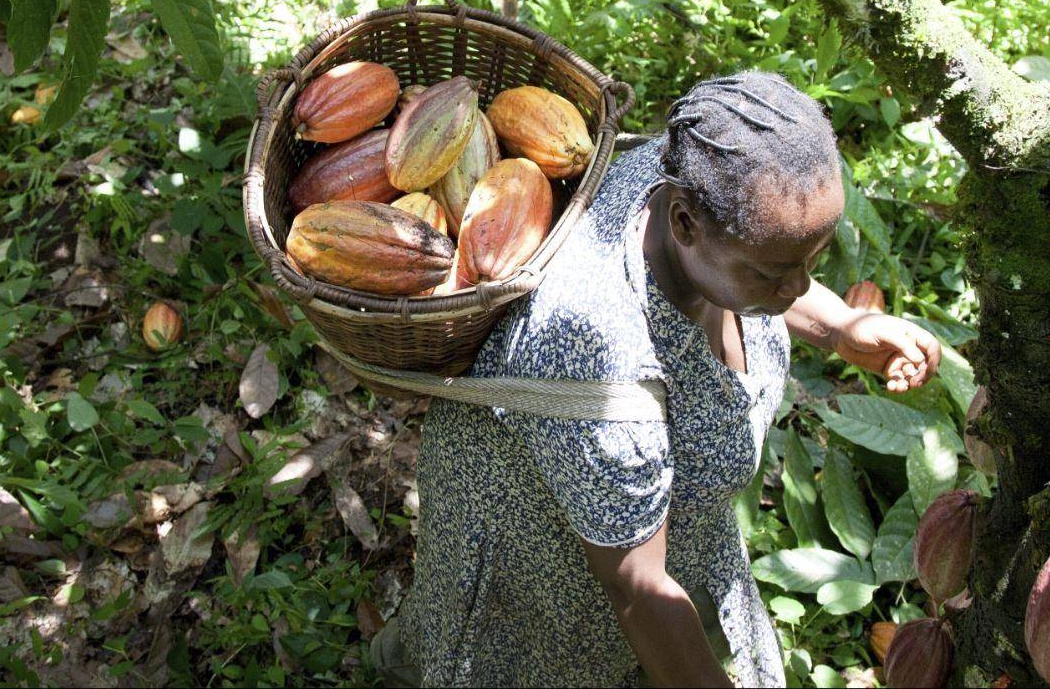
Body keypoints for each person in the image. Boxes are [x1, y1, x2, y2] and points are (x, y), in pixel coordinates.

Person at [375, 70, 942, 687]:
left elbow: (773, 260)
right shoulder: (601, 362)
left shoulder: (695, 178)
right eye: (776, 274)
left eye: (812, 260)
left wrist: (839, 327)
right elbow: (640, 591)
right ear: (684, 224)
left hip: (635, 528)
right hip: (533, 549)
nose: (800, 288)